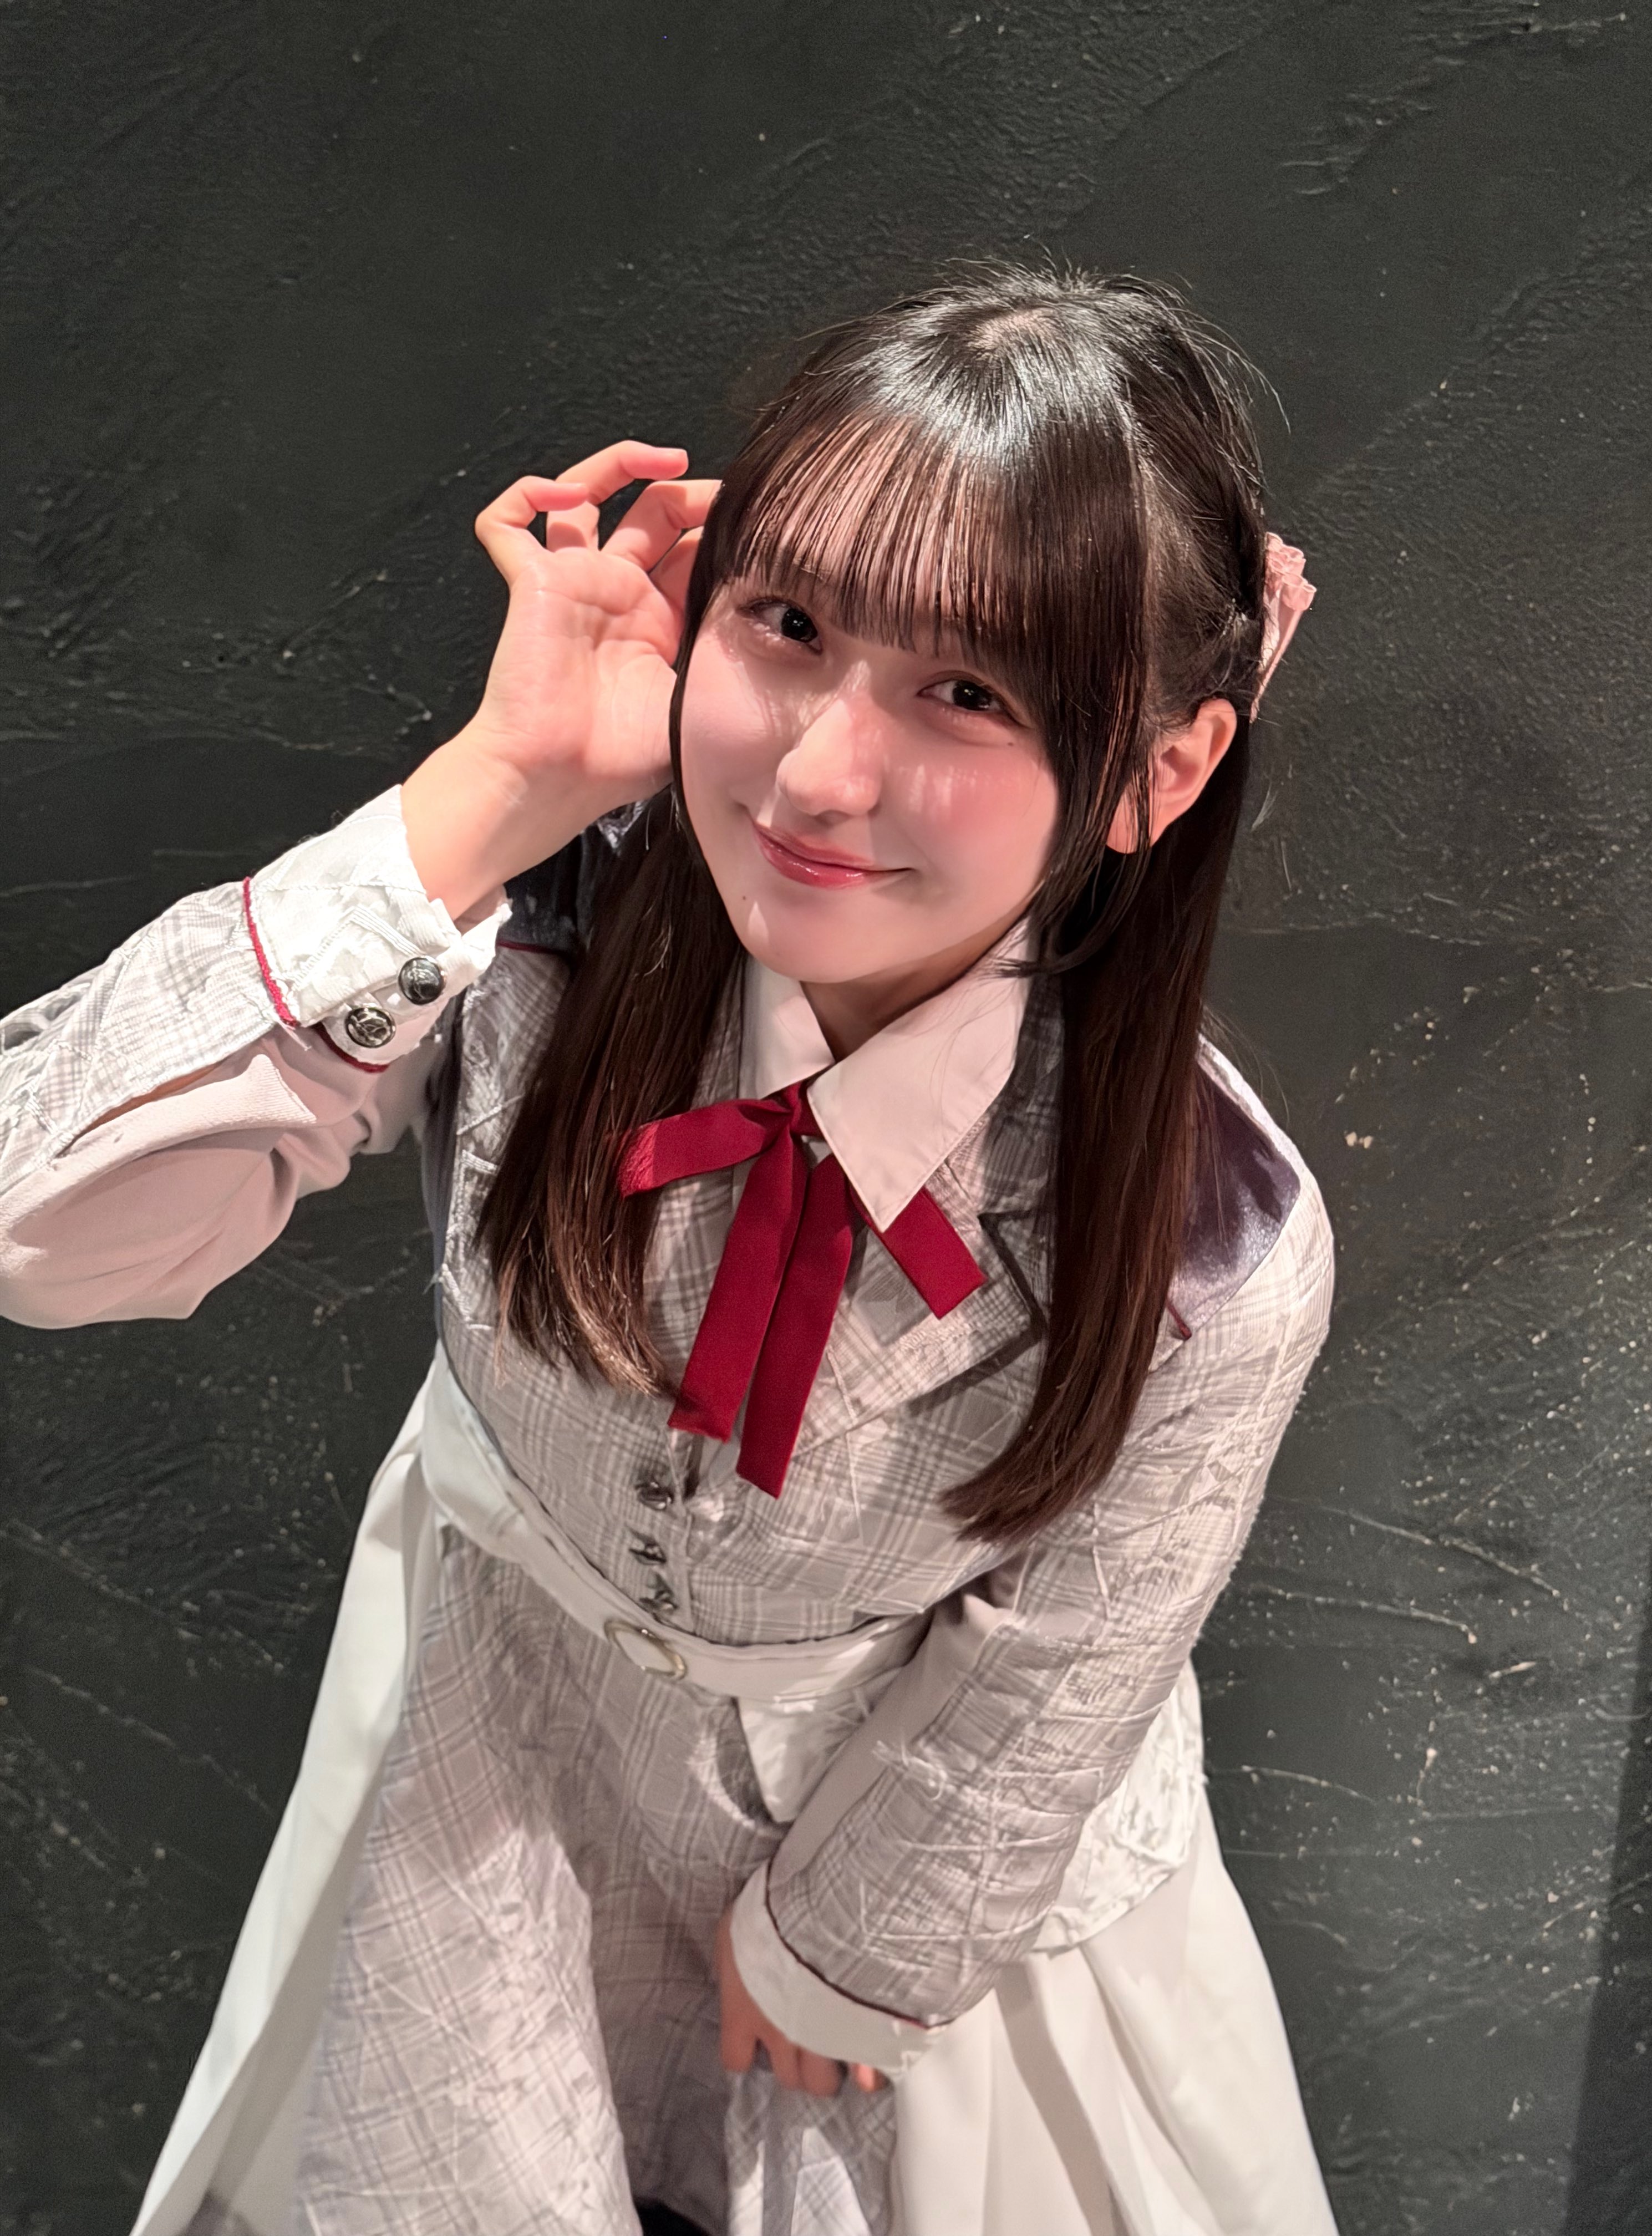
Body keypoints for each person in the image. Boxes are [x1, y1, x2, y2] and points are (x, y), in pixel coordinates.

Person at [0, 266, 1335, 2236]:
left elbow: (1074, 1652)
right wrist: (493, 789)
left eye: (968, 691)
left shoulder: (1212, 1238)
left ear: (1163, 770)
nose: (816, 776)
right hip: (488, 1777)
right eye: (788, 627)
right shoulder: (537, 932)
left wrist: (847, 1950)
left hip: (899, 1846)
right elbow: (40, 1226)